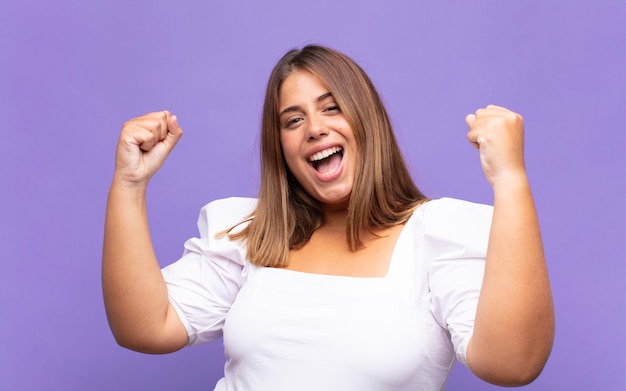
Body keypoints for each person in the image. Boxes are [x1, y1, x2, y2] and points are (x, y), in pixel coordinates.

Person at [102, 45, 554, 390]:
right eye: (292, 120)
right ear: (280, 146)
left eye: (331, 106)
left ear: (367, 121)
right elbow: (146, 328)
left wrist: (510, 179)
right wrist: (129, 184)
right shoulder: (252, 235)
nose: (314, 127)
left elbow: (513, 365)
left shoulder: (436, 237)